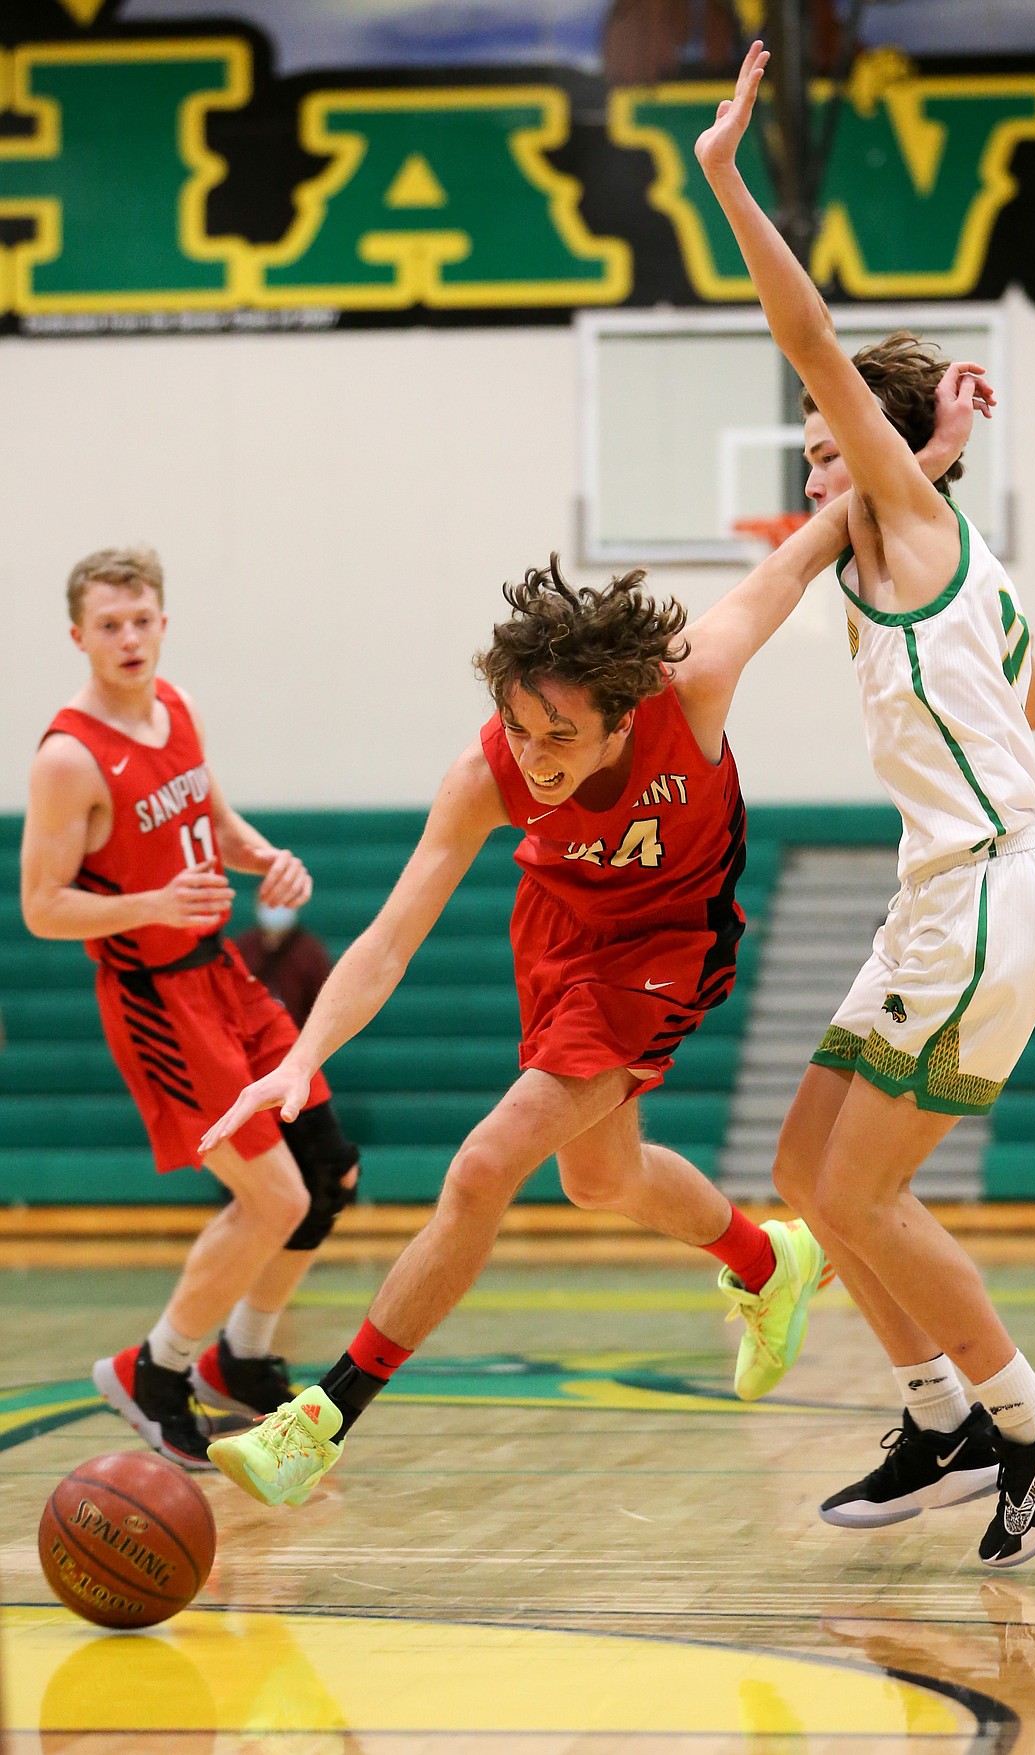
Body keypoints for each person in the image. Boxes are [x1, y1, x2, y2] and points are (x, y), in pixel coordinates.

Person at [198, 380, 976, 1511]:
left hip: (667, 942)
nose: (537, 754)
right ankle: (772, 1263)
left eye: (560, 734)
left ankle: (318, 1421)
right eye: (520, 727)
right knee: (598, 1176)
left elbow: (807, 548)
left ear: (623, 710)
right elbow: (389, 938)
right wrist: (297, 1058)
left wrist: (934, 459)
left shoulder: (693, 683)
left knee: (483, 1167)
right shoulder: (487, 774)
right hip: (561, 938)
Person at [694, 42, 1035, 1568]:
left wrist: (727, 175)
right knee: (807, 1178)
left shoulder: (910, 515)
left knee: (865, 1195)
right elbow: (1034, 702)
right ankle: (938, 1414)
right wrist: (1029, 685)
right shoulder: (927, 554)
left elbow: (809, 335)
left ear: (873, 441)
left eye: (826, 446)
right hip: (947, 887)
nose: (814, 472)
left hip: (993, 890)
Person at [21, 547, 361, 1469]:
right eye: (109, 625)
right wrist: (150, 906)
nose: (129, 639)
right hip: (157, 1000)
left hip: (224, 975)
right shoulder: (68, 757)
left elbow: (210, 816)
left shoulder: (177, 710)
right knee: (274, 1196)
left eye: (142, 621)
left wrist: (267, 858)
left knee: (328, 1174)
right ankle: (152, 1371)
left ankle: (240, 1357)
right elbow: (42, 906)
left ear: (163, 623)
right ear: (78, 637)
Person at [236, 901, 333, 1030]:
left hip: (296, 1040)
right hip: (248, 1041)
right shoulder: (244, 948)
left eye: (285, 901)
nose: (277, 908)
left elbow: (323, 1006)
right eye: (271, 900)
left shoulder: (310, 953)